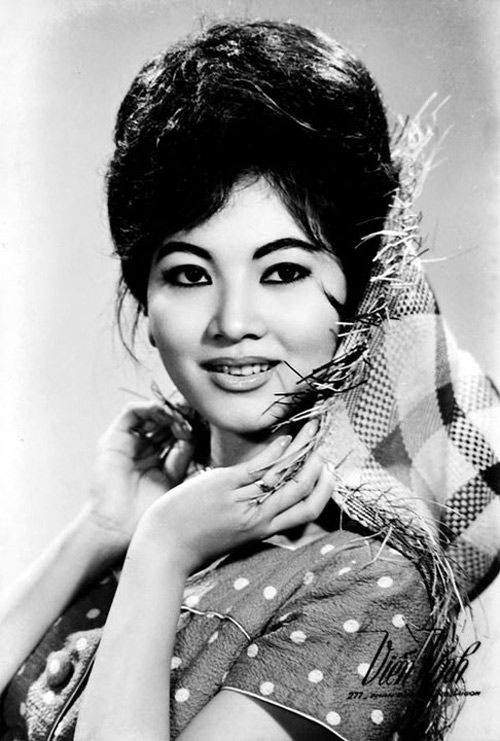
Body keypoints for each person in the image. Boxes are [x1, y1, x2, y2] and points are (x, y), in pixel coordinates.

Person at [1, 19, 499, 741]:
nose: (233, 321)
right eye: (189, 274)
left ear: (358, 297)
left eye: (284, 271)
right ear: (145, 300)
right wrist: (102, 530)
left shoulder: (367, 586)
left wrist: (163, 549)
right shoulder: (152, 528)